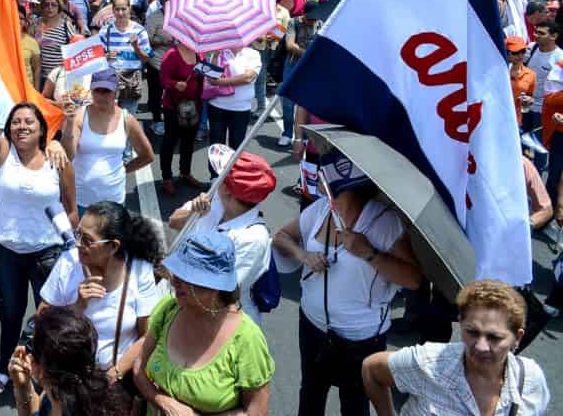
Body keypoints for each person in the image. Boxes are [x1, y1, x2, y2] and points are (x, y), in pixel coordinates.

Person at [0, 61, 77, 398]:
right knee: (10, 313)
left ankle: (47, 372)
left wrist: (75, 252)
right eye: (16, 121)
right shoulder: (1, 154)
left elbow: (71, 208)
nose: (22, 126)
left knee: (51, 319)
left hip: (48, 252)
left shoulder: (57, 158)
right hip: (8, 252)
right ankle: (10, 368)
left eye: (29, 122)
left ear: (41, 130)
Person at [272, 152, 423, 416]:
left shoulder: (384, 223)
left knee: (354, 404)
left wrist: (369, 253)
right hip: (312, 327)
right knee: (310, 393)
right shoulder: (320, 210)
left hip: (360, 340)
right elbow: (281, 237)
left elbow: (413, 279)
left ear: (351, 189)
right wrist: (303, 256)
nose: (321, 188)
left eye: (328, 185)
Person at [133, 228, 275, 415]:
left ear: (215, 287)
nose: (175, 281)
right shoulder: (169, 308)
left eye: (187, 277)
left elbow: (255, 411)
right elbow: (139, 367)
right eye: (176, 272)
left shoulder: (248, 340)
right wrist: (162, 401)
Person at [362, 279, 550, 416]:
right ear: (460, 324)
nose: (481, 346)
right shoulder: (429, 362)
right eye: (472, 332)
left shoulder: (531, 379)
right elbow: (371, 369)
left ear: (517, 338)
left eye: (494, 337)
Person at [40, 201, 162, 377]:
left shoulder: (139, 269)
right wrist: (77, 308)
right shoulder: (68, 262)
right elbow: (41, 318)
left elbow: (146, 336)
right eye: (78, 234)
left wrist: (115, 373)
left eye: (87, 240)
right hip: (71, 376)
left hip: (117, 380)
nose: (78, 244)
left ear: (113, 246)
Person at [170, 150, 276, 323]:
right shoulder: (213, 201)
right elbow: (174, 221)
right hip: (187, 301)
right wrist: (192, 214)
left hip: (218, 320)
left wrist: (173, 275)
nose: (214, 180)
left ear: (226, 188)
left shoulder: (253, 238)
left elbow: (219, 295)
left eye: (219, 176)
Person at [8, 306, 133, 416]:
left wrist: (22, 388)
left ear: (37, 366)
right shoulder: (58, 394)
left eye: (31, 347)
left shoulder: (54, 397)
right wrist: (23, 387)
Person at [61, 68, 153, 210]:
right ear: (91, 91)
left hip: (114, 200)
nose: (101, 95)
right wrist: (69, 125)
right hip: (81, 199)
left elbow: (147, 156)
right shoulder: (79, 116)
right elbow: (68, 155)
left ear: (116, 92)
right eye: (97, 90)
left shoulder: (126, 119)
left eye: (106, 91)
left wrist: (124, 170)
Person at [159, 38, 203, 195]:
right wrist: (175, 84)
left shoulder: (199, 54)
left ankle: (185, 172)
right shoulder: (172, 54)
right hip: (173, 106)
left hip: (193, 106)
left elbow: (203, 75)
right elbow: (163, 78)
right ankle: (167, 178)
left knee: (189, 141)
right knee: (170, 141)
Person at [99, 0, 151, 117]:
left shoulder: (139, 31)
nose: (120, 13)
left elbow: (145, 59)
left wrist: (136, 47)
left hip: (131, 82)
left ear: (130, 9)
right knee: (110, 119)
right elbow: (96, 58)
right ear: (113, 10)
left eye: (123, 9)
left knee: (128, 119)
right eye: (117, 9)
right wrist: (105, 57)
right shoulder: (105, 31)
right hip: (110, 82)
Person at [205, 43, 261, 158]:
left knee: (237, 146)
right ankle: (215, 176)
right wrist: (215, 56)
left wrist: (221, 82)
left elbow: (248, 77)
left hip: (240, 108)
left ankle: (234, 175)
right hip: (216, 106)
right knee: (216, 146)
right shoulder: (219, 51)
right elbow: (211, 77)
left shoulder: (252, 54)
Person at [280, 2, 322, 147]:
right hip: (292, 66)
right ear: (304, 14)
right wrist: (307, 54)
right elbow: (290, 45)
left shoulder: (321, 24)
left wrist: (302, 51)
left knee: (306, 103)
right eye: (310, 19)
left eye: (314, 19)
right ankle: (286, 133)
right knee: (287, 101)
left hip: (311, 69)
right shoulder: (293, 22)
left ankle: (304, 135)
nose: (312, 22)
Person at [523, 21, 563, 132]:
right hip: (524, 106)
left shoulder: (560, 58)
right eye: (535, 32)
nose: (536, 35)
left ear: (554, 36)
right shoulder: (531, 48)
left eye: (541, 33)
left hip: (544, 112)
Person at [144, 0, 174, 136]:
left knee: (173, 93)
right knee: (156, 93)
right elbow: (146, 41)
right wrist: (161, 40)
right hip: (157, 61)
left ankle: (172, 120)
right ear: (161, 1)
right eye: (168, 0)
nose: (171, 2)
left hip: (175, 61)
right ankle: (156, 121)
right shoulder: (153, 17)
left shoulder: (178, 15)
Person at [507, 35, 536, 126]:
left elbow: (531, 96)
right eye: (516, 53)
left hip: (517, 122)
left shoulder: (531, 74)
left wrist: (530, 100)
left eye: (523, 51)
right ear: (506, 52)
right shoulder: (497, 73)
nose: (520, 56)